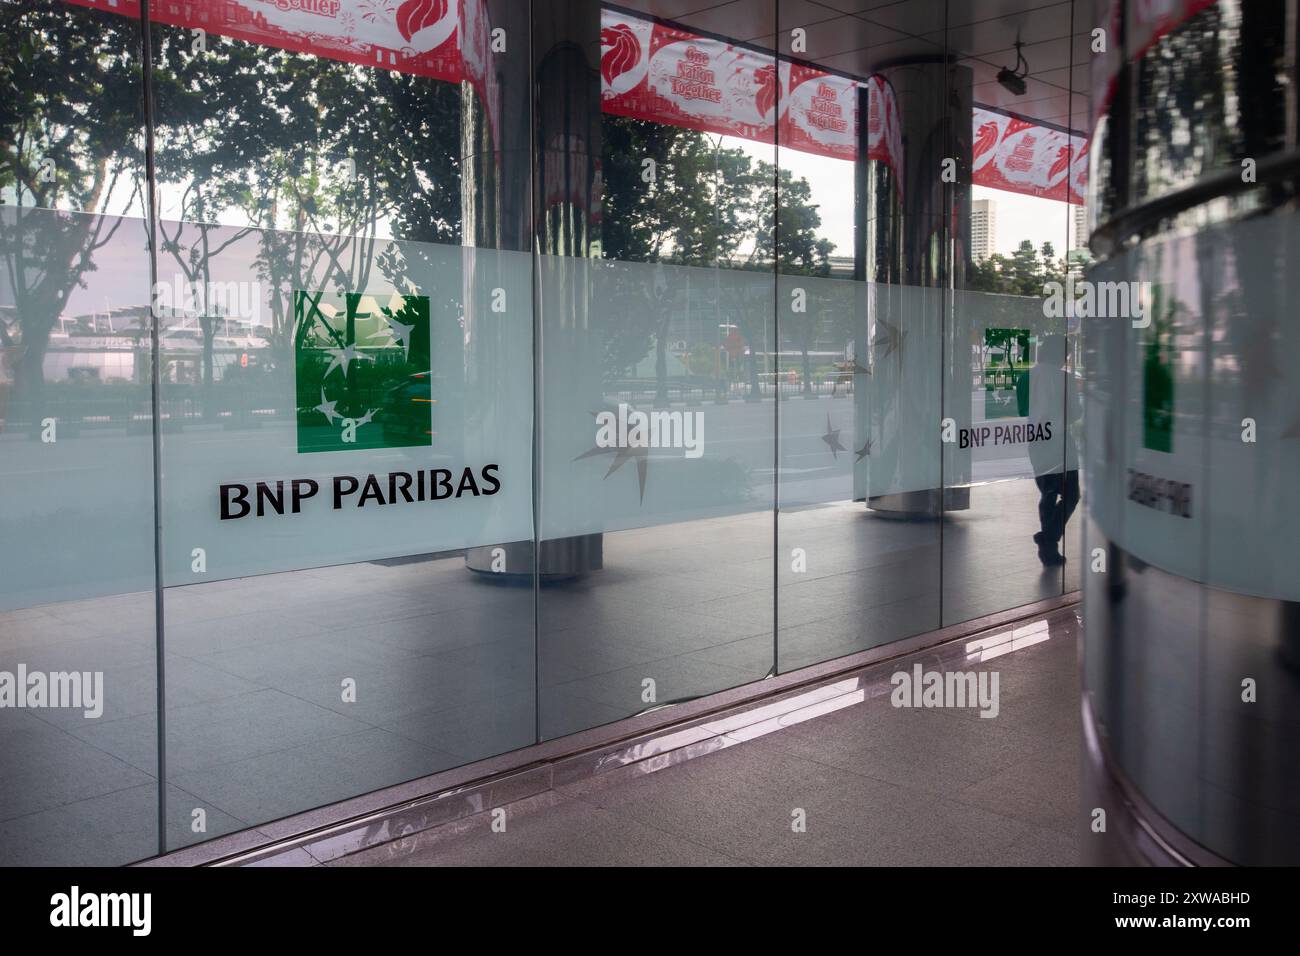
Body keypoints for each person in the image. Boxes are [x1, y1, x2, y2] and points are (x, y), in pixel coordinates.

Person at [1019, 334, 1081, 567]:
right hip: (1058, 440)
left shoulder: (1026, 377)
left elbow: (1021, 408)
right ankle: (1048, 540)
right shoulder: (1065, 378)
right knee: (1071, 494)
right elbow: (1075, 413)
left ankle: (1049, 550)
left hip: (1035, 439)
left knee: (1048, 493)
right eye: (1067, 354)